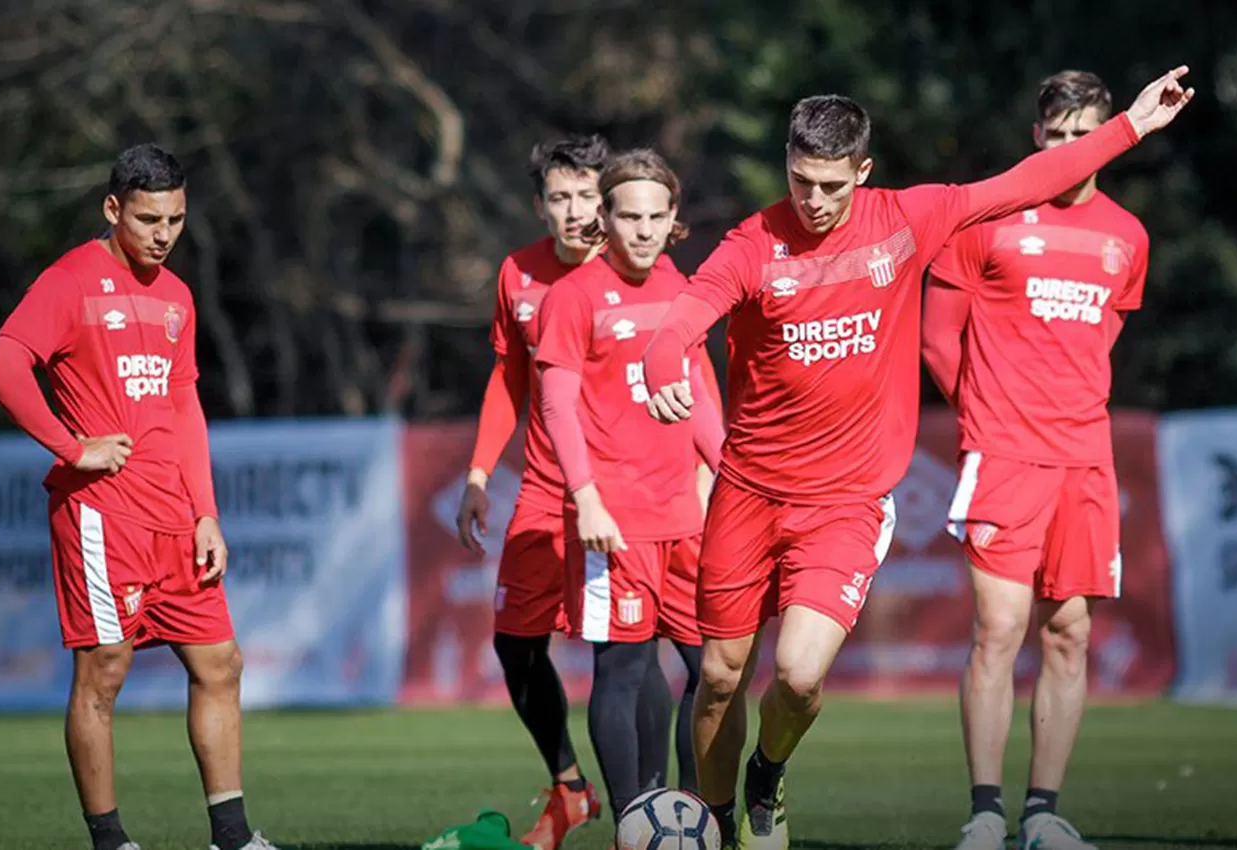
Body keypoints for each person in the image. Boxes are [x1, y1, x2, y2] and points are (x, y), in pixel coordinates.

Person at [639, 66, 1196, 849]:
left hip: (846, 501)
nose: (815, 200)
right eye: (801, 181)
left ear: (863, 172)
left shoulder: (909, 218)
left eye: (832, 184)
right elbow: (684, 316)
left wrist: (1130, 126)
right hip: (747, 492)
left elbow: (1028, 178)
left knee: (798, 674)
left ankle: (769, 771)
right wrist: (662, 364)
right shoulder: (753, 242)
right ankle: (718, 824)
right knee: (721, 677)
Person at [0, 144, 277, 850]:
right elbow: (3, 365)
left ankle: (232, 836)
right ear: (113, 208)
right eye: (149, 218)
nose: (164, 233)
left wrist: (207, 512)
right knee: (104, 670)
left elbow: (184, 411)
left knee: (220, 664)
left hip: (175, 516)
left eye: (175, 218)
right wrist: (72, 446)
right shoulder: (72, 280)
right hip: (100, 514)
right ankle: (110, 841)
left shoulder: (176, 295)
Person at [920, 70, 1149, 850]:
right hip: (1004, 453)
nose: (1068, 148)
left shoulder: (1130, 237)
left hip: (1084, 457)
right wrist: (983, 420)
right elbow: (934, 337)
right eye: (1054, 135)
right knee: (1000, 626)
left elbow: (1101, 342)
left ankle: (1042, 814)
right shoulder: (986, 220)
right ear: (1035, 138)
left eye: (1082, 133)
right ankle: (985, 811)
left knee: (1070, 634)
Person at [533, 148, 724, 824]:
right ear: (605, 220)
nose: (642, 230)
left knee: (714, 676)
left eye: (655, 217)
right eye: (628, 216)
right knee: (622, 671)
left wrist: (724, 473)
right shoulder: (572, 296)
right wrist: (584, 494)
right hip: (614, 522)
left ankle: (695, 814)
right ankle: (634, 825)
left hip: (688, 517)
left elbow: (698, 389)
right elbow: (556, 404)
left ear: (674, 220)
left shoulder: (684, 289)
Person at [453, 134, 610, 850]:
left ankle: (668, 809)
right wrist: (481, 473)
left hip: (629, 489)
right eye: (560, 197)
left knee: (637, 655)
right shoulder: (518, 272)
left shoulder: (633, 263)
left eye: (586, 194)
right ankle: (569, 788)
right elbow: (509, 379)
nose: (574, 210)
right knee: (515, 645)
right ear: (540, 205)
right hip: (546, 490)